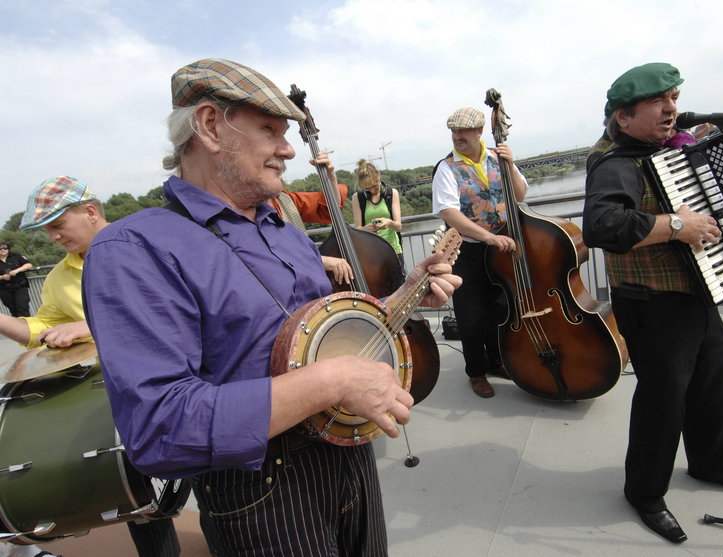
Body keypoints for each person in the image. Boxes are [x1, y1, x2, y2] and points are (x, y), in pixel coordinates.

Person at [81, 57, 460, 557]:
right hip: (260, 491)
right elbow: (160, 430)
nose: (287, 149)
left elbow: (318, 340)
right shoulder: (133, 249)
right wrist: (334, 382)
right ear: (211, 126)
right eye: (270, 130)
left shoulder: (283, 230)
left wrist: (402, 297)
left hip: (350, 461)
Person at [582, 62, 723, 544]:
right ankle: (646, 493)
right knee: (663, 401)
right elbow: (603, 226)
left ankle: (711, 463)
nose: (671, 108)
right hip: (651, 304)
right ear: (622, 117)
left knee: (715, 386)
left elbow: (716, 210)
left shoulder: (677, 151)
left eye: (673, 98)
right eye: (658, 102)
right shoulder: (617, 162)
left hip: (699, 291)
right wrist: (676, 226)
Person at [1, 177, 182, 557]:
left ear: (90, 212)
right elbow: (42, 328)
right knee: (130, 480)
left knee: (209, 472)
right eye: (46, 230)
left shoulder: (147, 243)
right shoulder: (58, 277)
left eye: (57, 226)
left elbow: (170, 306)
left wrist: (88, 325)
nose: (52, 237)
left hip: (179, 380)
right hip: (120, 393)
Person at [431, 106, 527, 398]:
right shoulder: (446, 167)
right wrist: (487, 237)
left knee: (501, 308)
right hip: (469, 252)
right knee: (471, 315)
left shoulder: (499, 157)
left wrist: (510, 167)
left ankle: (497, 362)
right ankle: (476, 371)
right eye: (453, 131)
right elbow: (449, 213)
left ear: (479, 132)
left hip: (503, 247)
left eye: (462, 131)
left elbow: (520, 196)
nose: (457, 136)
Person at [269, 153, 354, 285]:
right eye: (274, 172)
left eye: (281, 172)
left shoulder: (285, 199)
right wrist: (322, 261)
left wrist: (330, 178)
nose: (280, 178)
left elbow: (330, 208)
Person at [352, 159, 405, 274]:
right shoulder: (357, 197)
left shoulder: (392, 193)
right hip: (370, 252)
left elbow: (398, 227)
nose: (371, 190)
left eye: (375, 187)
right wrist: (365, 230)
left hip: (393, 250)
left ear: (379, 178)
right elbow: (357, 229)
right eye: (367, 189)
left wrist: (389, 222)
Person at [0, 243, 33, 317]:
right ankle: (17, 326)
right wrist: (2, 277)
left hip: (20, 286)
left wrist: (16, 271)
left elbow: (28, 265)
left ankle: (26, 327)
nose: (2, 250)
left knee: (23, 307)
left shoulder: (16, 256)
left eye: (5, 248)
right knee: (13, 309)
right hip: (4, 288)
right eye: (0, 249)